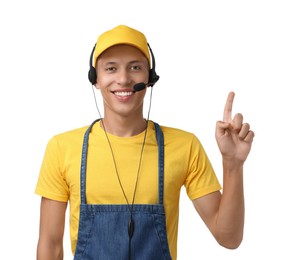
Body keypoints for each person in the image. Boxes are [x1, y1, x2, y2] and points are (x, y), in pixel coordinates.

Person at [35, 24, 255, 260]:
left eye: (135, 67)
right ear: (95, 78)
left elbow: (229, 238)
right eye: (111, 68)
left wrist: (232, 165)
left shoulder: (185, 146)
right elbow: (50, 246)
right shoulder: (63, 148)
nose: (123, 79)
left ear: (149, 78)